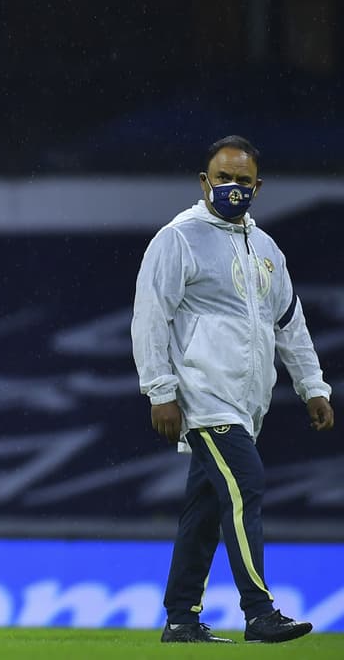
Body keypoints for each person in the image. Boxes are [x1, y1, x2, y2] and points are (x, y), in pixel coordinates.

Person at [131, 135, 334, 645]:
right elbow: (151, 316)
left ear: (258, 187)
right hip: (204, 394)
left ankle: (181, 618)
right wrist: (160, 390)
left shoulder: (266, 249)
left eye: (243, 181)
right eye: (223, 178)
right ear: (204, 181)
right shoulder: (177, 239)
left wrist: (313, 386)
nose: (232, 188)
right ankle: (259, 611)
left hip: (248, 401)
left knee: (203, 508)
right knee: (245, 486)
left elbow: (289, 323)